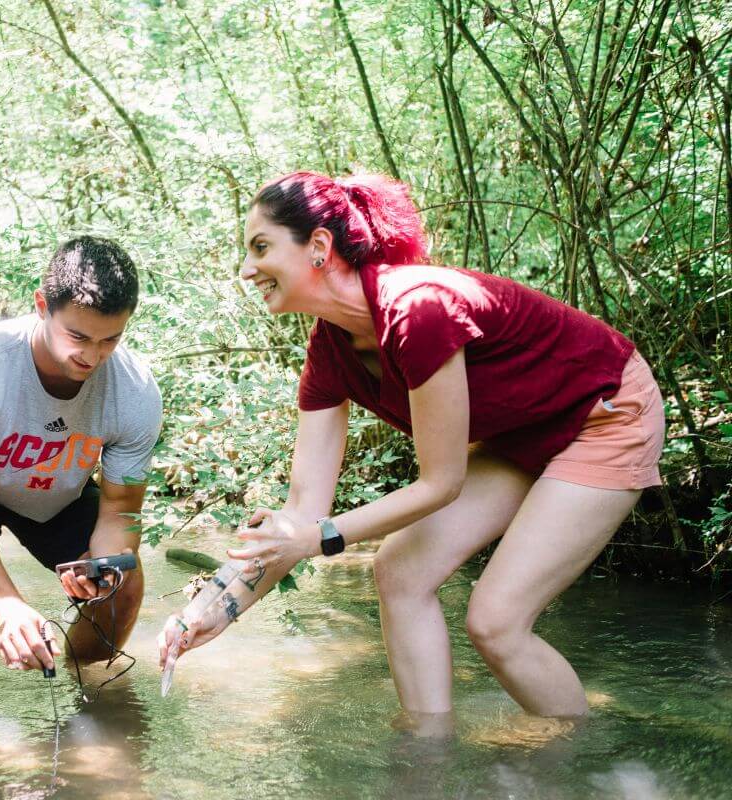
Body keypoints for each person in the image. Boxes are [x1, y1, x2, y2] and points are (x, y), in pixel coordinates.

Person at [160, 172, 664, 726]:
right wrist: (213, 610)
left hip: (605, 415)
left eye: (261, 247)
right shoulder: (329, 351)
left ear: (320, 247)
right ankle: (427, 755)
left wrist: (319, 540)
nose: (247, 268)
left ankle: (581, 762)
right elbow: (301, 513)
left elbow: (439, 483)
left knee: (495, 621)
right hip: (522, 432)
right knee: (399, 570)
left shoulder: (418, 309)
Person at [0, 236, 161, 686]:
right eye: (78, 336)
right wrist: (7, 604)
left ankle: (86, 692)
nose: (92, 355)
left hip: (57, 490)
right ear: (41, 305)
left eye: (110, 339)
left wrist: (103, 566)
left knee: (124, 583)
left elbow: (121, 509)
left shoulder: (136, 392)